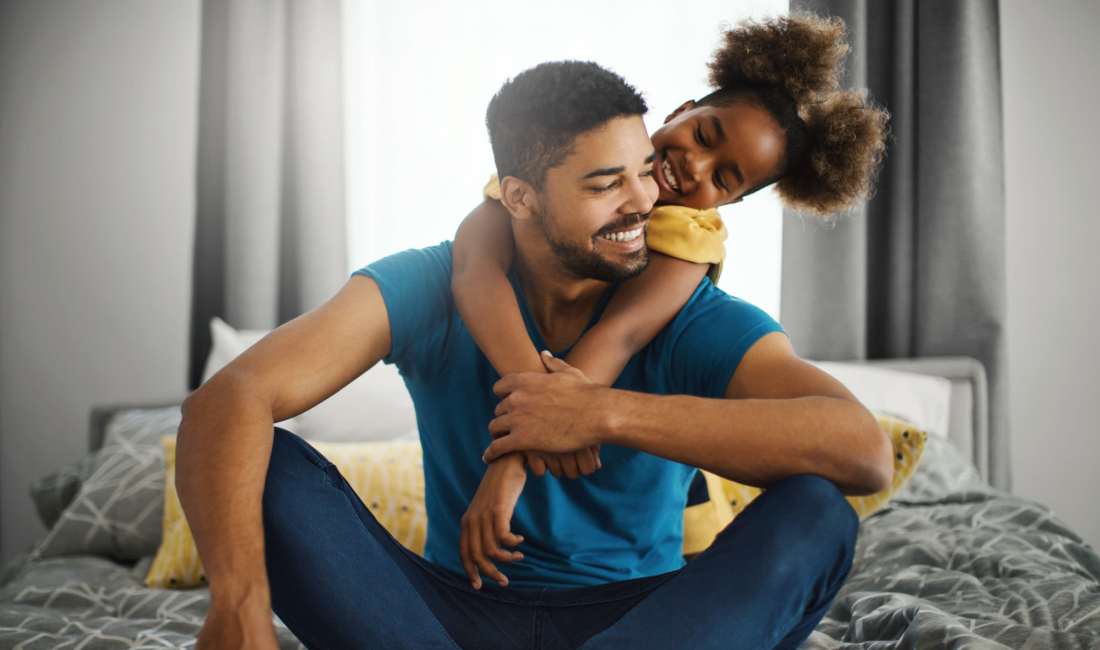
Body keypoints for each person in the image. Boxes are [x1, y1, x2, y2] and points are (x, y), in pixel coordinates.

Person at [178, 58, 893, 650]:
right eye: (607, 183)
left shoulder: (691, 307)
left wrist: (604, 413)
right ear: (519, 197)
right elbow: (229, 397)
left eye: (643, 172)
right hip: (442, 619)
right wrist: (238, 607)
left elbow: (863, 451)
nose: (646, 197)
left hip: (641, 623)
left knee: (816, 511)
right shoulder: (441, 275)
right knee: (258, 456)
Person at [450, 14, 888, 508]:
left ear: (731, 201)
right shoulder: (546, 177)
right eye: (703, 136)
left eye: (724, 178)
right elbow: (474, 269)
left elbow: (620, 335)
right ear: (682, 110)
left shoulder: (686, 241)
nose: (693, 166)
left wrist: (516, 459)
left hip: (661, 505)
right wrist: (533, 411)